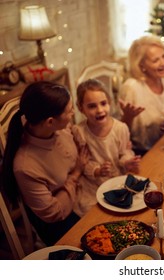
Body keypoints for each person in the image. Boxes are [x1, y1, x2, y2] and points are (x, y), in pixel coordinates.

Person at [1, 81, 88, 246]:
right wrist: (76, 174)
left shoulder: (59, 129)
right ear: (50, 122)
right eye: (69, 111)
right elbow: (53, 213)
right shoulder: (25, 166)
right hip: (60, 222)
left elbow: (72, 138)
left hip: (81, 193)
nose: (73, 113)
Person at [72, 79, 141, 217]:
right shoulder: (79, 132)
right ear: (81, 108)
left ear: (109, 102)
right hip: (93, 184)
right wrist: (97, 170)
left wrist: (127, 161)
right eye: (91, 106)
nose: (99, 110)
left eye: (103, 103)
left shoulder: (120, 128)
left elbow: (124, 152)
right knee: (96, 215)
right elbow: (82, 161)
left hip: (117, 179)